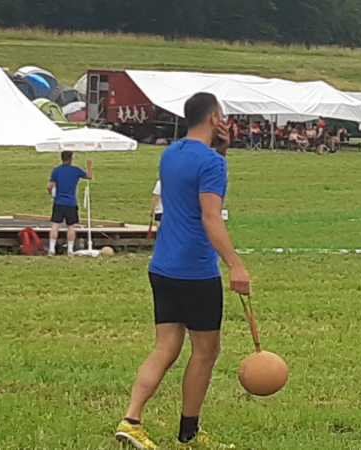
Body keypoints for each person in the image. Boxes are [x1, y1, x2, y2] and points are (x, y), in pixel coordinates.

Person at [115, 93, 250, 450]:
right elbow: (210, 216)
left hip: (163, 265)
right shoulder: (211, 163)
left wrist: (220, 151)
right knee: (206, 351)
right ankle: (189, 433)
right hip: (195, 269)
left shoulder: (170, 153)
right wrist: (235, 265)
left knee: (165, 347)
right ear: (214, 118)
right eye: (222, 114)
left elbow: (190, 189)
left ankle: (131, 420)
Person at [46, 151, 93, 255]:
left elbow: (49, 186)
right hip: (71, 202)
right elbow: (89, 176)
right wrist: (90, 167)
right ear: (71, 158)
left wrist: (52, 193)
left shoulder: (56, 170)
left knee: (55, 225)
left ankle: (52, 248)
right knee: (71, 226)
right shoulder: (76, 170)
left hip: (58, 202)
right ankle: (70, 249)